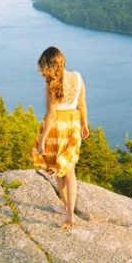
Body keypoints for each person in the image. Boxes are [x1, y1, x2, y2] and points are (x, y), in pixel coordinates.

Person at [31, 46, 89, 230]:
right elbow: (82, 104)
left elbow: (51, 116)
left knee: (61, 171)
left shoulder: (51, 85)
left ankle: (69, 213)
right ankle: (66, 209)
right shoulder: (78, 77)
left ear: (49, 66)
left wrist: (42, 141)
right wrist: (85, 125)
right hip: (73, 124)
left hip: (57, 128)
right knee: (67, 169)